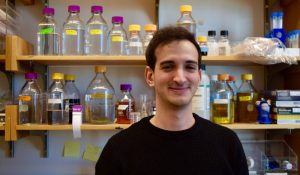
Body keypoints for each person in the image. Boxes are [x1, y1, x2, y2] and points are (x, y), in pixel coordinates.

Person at [95, 26, 249, 175]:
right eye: (168, 67)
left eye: (189, 67)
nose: (180, 79)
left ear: (199, 77)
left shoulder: (228, 144)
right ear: (150, 76)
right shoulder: (118, 149)